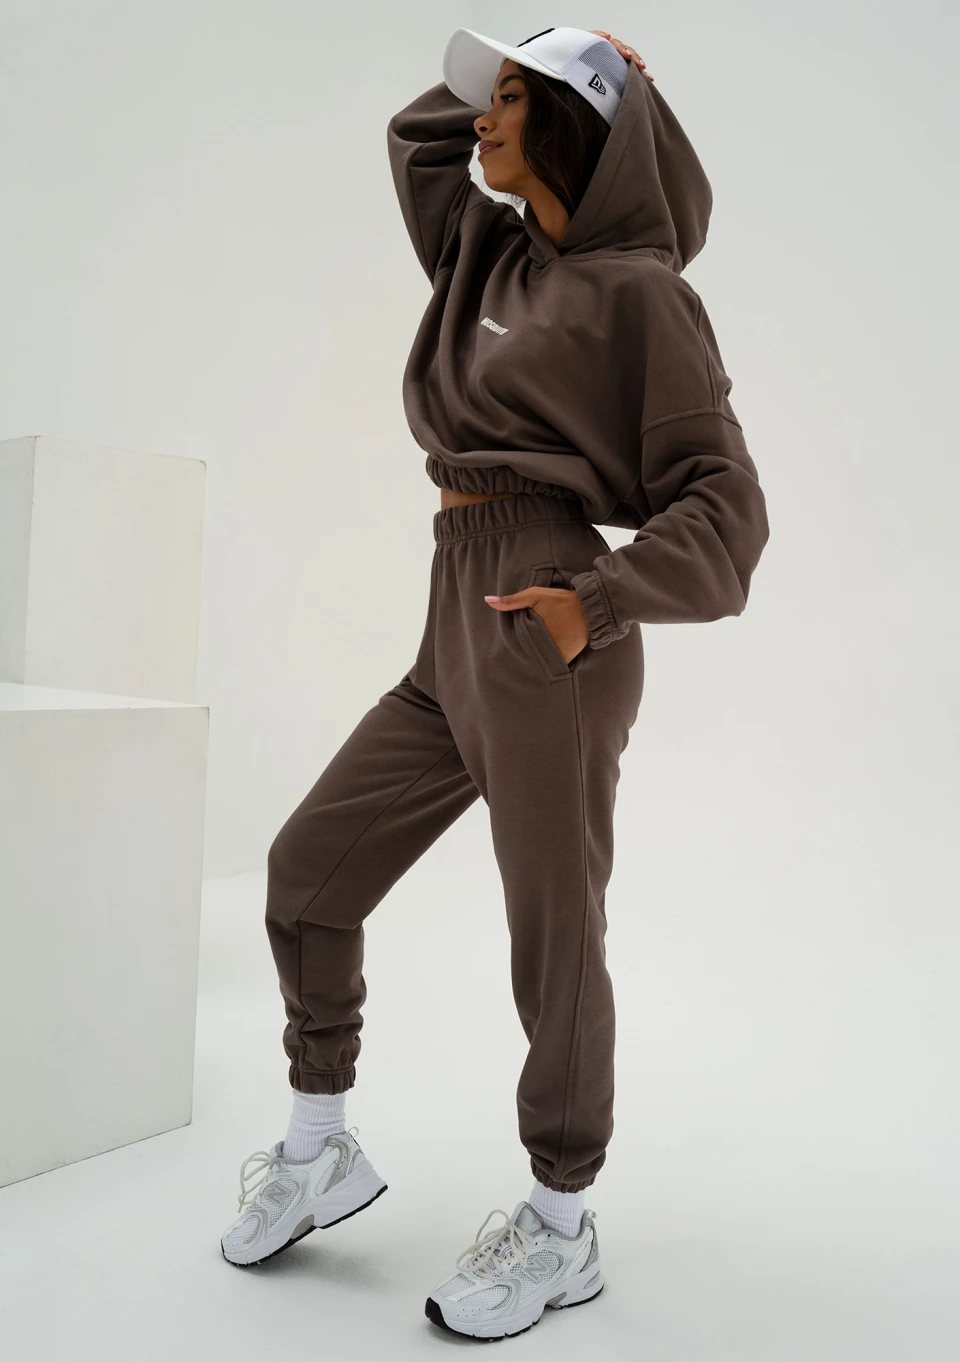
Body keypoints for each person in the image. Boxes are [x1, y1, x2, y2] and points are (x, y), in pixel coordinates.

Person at [219, 24, 770, 1340]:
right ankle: (318, 1146)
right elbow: (418, 137)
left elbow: (727, 511)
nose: (484, 118)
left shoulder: (642, 296)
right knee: (307, 873)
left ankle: (561, 1224)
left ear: (577, 130)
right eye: (493, 95)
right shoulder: (485, 251)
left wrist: (599, 602)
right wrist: (528, 62)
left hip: (548, 613)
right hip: (452, 610)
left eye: (516, 100)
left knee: (554, 940)